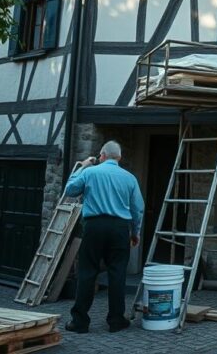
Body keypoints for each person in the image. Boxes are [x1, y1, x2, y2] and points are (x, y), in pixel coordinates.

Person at [63, 141, 144, 333]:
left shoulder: (90, 172)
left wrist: (82, 166)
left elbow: (70, 190)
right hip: (119, 229)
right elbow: (137, 209)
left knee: (87, 272)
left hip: (94, 227)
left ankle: (80, 322)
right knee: (117, 274)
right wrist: (135, 232)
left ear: (102, 155)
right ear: (119, 157)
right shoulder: (130, 178)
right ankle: (116, 320)